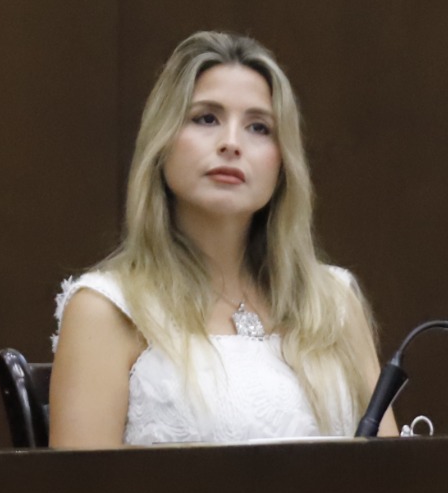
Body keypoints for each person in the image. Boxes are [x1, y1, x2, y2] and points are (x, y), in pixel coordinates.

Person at [47, 30, 391, 447]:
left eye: (259, 127)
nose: (231, 144)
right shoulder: (108, 309)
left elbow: (393, 473)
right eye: (206, 119)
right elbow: (81, 488)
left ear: (283, 162)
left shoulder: (334, 301)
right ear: (162, 141)